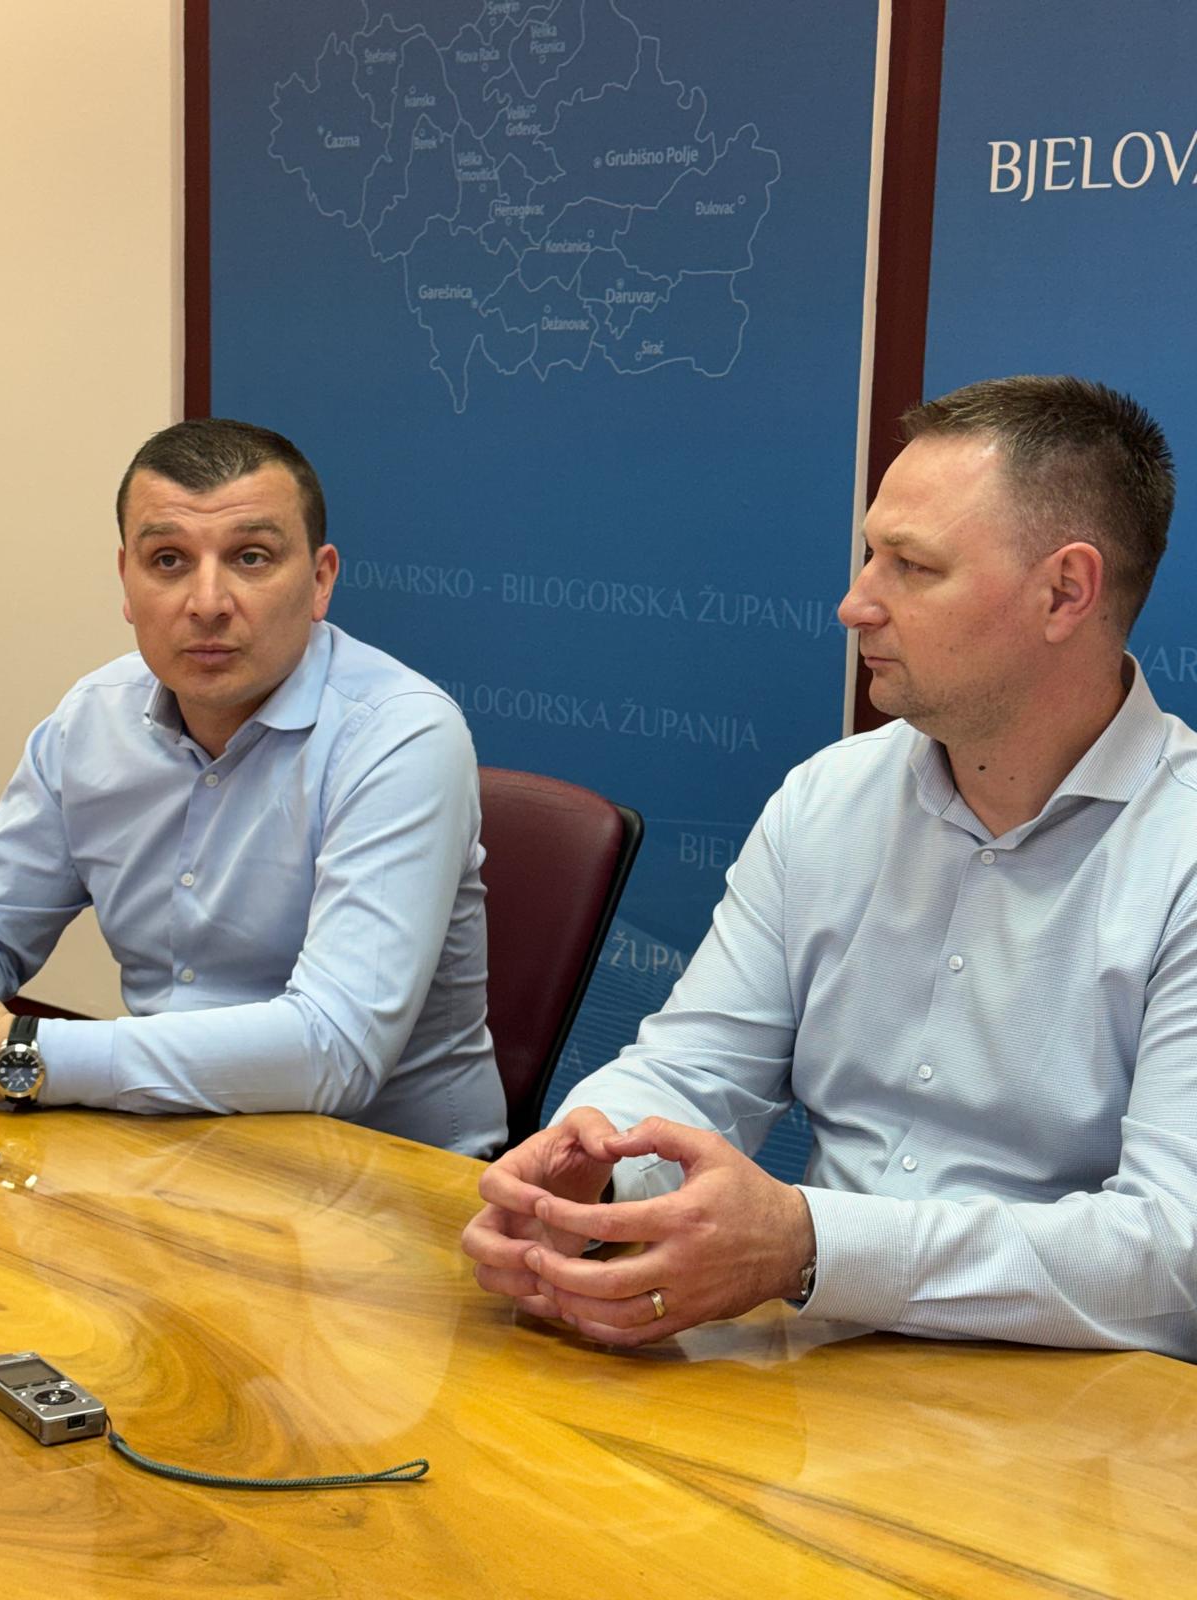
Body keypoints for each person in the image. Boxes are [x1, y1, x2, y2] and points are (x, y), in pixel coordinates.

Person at [463, 374, 1197, 1357]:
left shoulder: (1181, 848)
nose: (856, 603)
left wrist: (811, 1246)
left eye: (913, 567)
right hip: (815, 1367)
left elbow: (1174, 1253)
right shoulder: (830, 796)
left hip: (1071, 1409)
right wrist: (590, 1173)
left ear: (1065, 591)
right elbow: (696, 1069)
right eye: (869, 555)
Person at [0, 418, 506, 1156]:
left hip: (388, 1178)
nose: (207, 601)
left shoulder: (401, 733)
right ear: (126, 582)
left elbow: (334, 1051)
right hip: (158, 1145)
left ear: (320, 580)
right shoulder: (92, 718)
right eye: (169, 560)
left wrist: (26, 1054)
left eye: (251, 557)